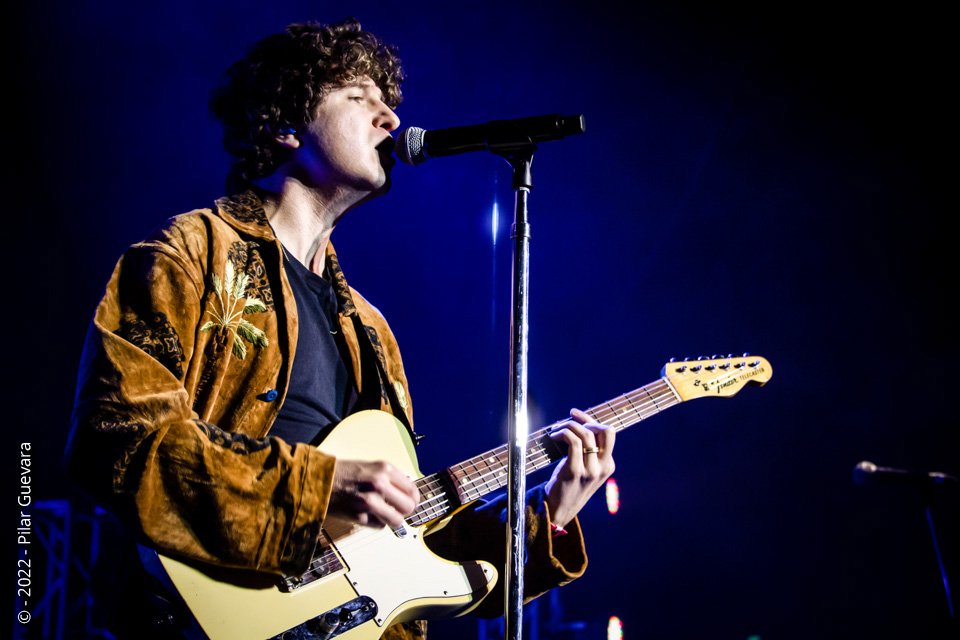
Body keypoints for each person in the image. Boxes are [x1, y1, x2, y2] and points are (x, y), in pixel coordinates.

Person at [65, 18, 616, 640]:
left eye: (390, 103)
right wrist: (317, 488)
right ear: (284, 124)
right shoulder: (186, 256)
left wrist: (553, 512)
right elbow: (115, 442)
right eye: (360, 97)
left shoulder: (371, 332)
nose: (390, 119)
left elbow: (410, 550)